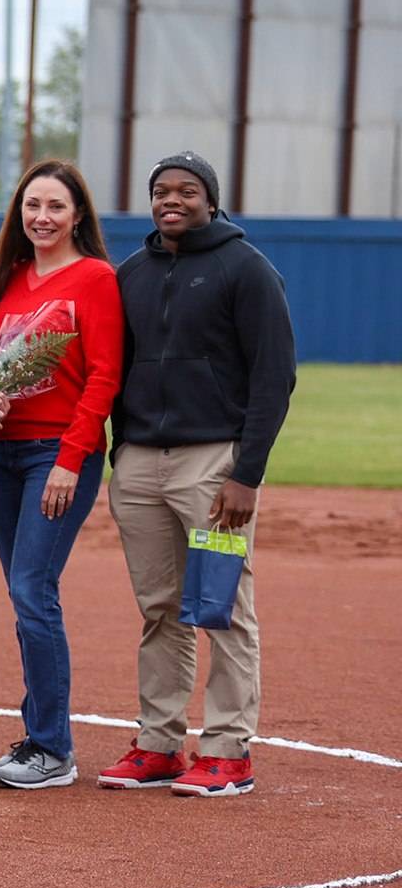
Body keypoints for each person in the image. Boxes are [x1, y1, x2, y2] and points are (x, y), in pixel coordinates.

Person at [100, 152, 295, 797]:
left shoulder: (247, 269)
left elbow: (274, 378)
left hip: (212, 467)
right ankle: (159, 744)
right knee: (160, 610)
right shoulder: (132, 271)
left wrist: (247, 475)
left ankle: (227, 749)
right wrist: (120, 449)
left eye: (186, 191)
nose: (171, 200)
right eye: (161, 191)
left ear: (211, 200)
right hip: (139, 466)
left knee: (222, 605)